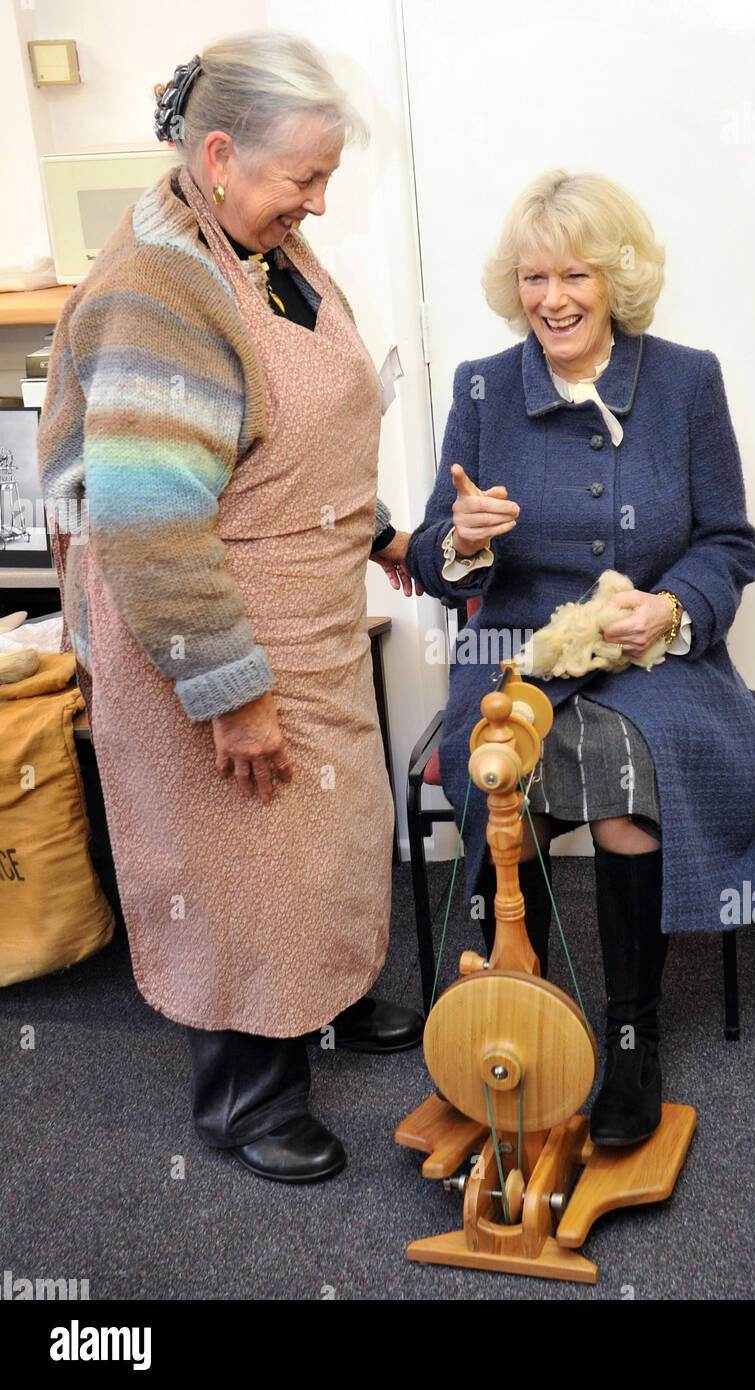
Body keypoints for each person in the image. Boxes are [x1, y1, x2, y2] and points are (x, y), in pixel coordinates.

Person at [37, 31, 422, 1183]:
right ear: (217, 155)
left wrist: (384, 533)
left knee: (327, 837)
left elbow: (305, 433)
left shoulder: (271, 250)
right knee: (238, 856)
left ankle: (323, 999)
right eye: (303, 176)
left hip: (303, 602)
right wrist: (229, 692)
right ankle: (245, 1098)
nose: (316, 200)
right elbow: (150, 526)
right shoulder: (155, 289)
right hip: (203, 624)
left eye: (326, 177)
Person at [405, 170, 755, 1146]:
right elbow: (436, 564)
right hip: (515, 653)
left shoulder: (684, 380)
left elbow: (728, 542)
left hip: (652, 661)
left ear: (616, 279)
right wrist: (462, 540)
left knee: (621, 763)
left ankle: (632, 1027)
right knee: (498, 768)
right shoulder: (483, 385)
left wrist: (673, 606)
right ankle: (519, 1014)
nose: (552, 299)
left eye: (575, 274)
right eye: (532, 277)